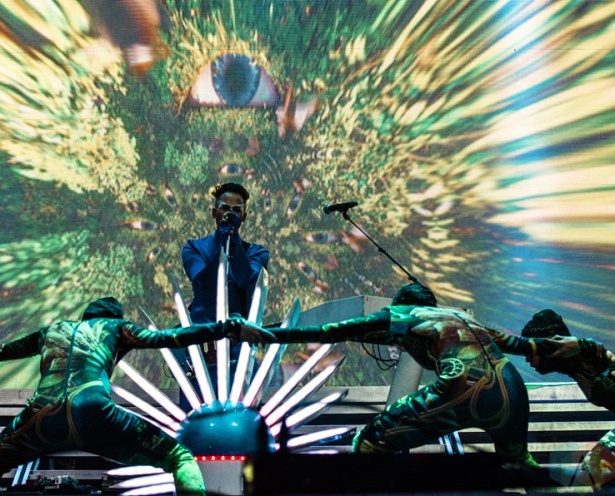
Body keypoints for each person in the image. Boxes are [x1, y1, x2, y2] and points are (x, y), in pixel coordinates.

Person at [0, 296, 273, 495]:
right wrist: (226, 328)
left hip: (40, 416)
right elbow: (170, 338)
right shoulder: (115, 328)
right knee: (179, 457)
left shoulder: (52, 331)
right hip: (91, 408)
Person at [239, 282, 542, 467]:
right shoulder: (460, 317)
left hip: (462, 386)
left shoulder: (403, 315)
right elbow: (521, 345)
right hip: (512, 392)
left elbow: (328, 331)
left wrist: (267, 335)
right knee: (520, 464)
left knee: (369, 441)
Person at [179, 183, 269, 403]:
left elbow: (246, 278)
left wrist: (234, 243)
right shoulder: (194, 248)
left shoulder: (257, 252)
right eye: (225, 208)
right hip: (203, 348)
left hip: (240, 352)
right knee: (197, 411)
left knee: (245, 411)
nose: (230, 214)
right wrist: (220, 244)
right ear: (214, 212)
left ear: (244, 216)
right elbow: (203, 281)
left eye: (237, 210)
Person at [520, 309, 615, 491]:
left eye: (531, 352)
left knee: (593, 471)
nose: (527, 359)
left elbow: (597, 353)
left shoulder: (587, 358)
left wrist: (582, 345)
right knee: (593, 472)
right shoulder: (573, 366)